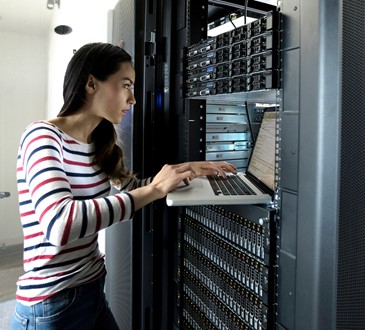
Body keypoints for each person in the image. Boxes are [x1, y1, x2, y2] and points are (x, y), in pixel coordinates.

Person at [10, 42, 236, 329]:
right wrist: (154, 189)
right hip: (51, 305)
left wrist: (185, 170)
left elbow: (133, 188)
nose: (133, 99)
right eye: (126, 85)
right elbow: (60, 224)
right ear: (91, 84)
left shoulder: (98, 144)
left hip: (92, 288)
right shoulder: (42, 137)